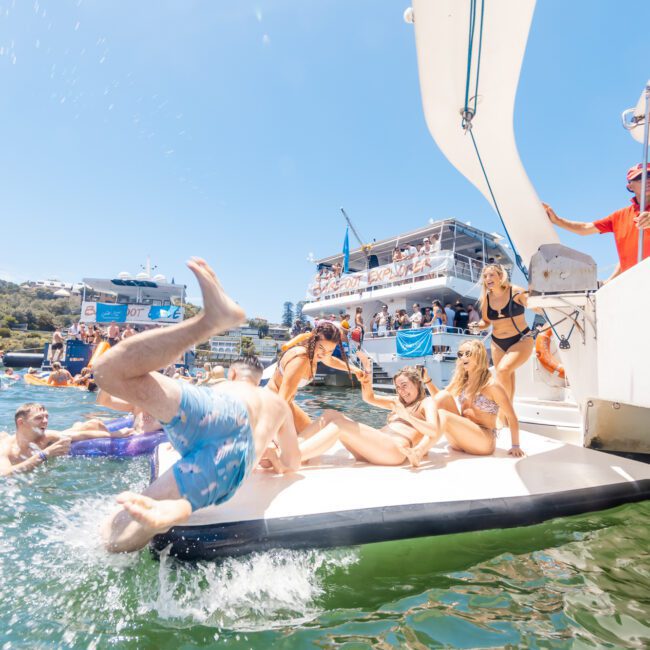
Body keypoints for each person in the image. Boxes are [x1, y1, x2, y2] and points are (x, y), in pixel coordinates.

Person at [93, 257, 301, 553]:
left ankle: (208, 322)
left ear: (232, 373)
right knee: (116, 538)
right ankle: (170, 514)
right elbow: (293, 463)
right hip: (234, 458)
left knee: (108, 371)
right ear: (260, 378)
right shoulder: (277, 404)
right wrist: (275, 460)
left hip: (215, 407)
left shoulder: (219, 385)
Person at [407, 339, 524, 464]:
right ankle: (408, 435)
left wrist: (515, 445)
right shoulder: (462, 381)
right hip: (460, 440)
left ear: (479, 355)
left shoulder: (492, 386)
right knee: (444, 396)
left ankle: (419, 451)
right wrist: (427, 380)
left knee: (443, 415)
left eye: (467, 353)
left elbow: (511, 417)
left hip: (483, 442)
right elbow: (438, 399)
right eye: (460, 354)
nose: (463, 357)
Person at [298, 366, 440, 466]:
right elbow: (369, 398)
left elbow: (433, 430)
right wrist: (366, 381)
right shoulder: (396, 403)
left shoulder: (426, 402)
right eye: (398, 387)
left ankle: (294, 457)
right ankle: (293, 448)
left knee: (339, 425)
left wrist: (407, 417)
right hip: (375, 450)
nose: (401, 391)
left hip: (394, 451)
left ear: (417, 384)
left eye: (404, 385)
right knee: (330, 414)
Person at [543, 163, 650, 282]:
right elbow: (585, 228)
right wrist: (557, 220)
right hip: (633, 285)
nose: (647, 180)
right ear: (630, 186)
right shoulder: (620, 216)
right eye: (640, 177)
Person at [268, 322, 363, 434]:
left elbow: (329, 360)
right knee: (312, 437)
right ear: (314, 340)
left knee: (313, 435)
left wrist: (355, 370)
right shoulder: (301, 359)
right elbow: (281, 401)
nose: (324, 354)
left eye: (330, 351)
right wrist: (270, 435)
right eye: (321, 348)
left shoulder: (314, 353)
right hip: (272, 404)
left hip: (286, 403)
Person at [0, 403, 132, 477]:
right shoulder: (6, 447)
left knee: (94, 424)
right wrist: (45, 454)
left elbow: (82, 436)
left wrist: (115, 434)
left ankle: (79, 425)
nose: (45, 421)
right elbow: (5, 473)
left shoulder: (45, 437)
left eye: (46, 417)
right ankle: (78, 425)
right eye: (39, 418)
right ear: (21, 422)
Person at [469, 264, 533, 401]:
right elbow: (485, 322)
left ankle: (505, 414)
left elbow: (534, 306)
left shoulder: (516, 291)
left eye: (491, 275)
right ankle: (508, 415)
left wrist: (537, 303)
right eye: (485, 276)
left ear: (501, 276)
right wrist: (477, 326)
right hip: (497, 343)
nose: (488, 278)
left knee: (503, 370)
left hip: (521, 339)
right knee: (505, 376)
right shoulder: (486, 298)